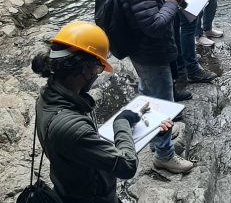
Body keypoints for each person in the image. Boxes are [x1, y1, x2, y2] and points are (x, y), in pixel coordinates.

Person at [33, 21, 173, 202]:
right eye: (98, 68)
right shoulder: (71, 127)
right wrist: (121, 124)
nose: (96, 74)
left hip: (68, 188)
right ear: (84, 67)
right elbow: (127, 166)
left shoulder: (46, 97)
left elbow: (78, 146)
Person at [113, 0, 194, 173]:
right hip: (150, 53)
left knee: (147, 93)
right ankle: (164, 155)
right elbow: (155, 26)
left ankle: (152, 136)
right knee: (162, 103)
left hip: (139, 51)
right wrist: (171, 4)